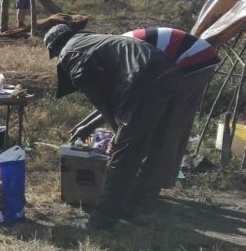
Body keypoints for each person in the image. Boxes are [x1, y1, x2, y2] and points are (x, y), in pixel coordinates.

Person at [44, 24, 183, 229]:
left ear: (54, 48)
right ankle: (134, 207)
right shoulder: (94, 41)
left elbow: (100, 100)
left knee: (123, 154)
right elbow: (113, 100)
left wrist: (117, 134)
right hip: (169, 71)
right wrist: (89, 126)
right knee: (154, 144)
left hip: (143, 78)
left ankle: (102, 221)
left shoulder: (69, 52)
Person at [69, 27, 219, 191]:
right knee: (154, 122)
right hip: (183, 59)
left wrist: (91, 127)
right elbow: (114, 103)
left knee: (168, 124)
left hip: (193, 60)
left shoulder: (121, 58)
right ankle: (147, 178)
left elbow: (128, 102)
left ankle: (152, 186)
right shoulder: (116, 49)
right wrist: (85, 125)